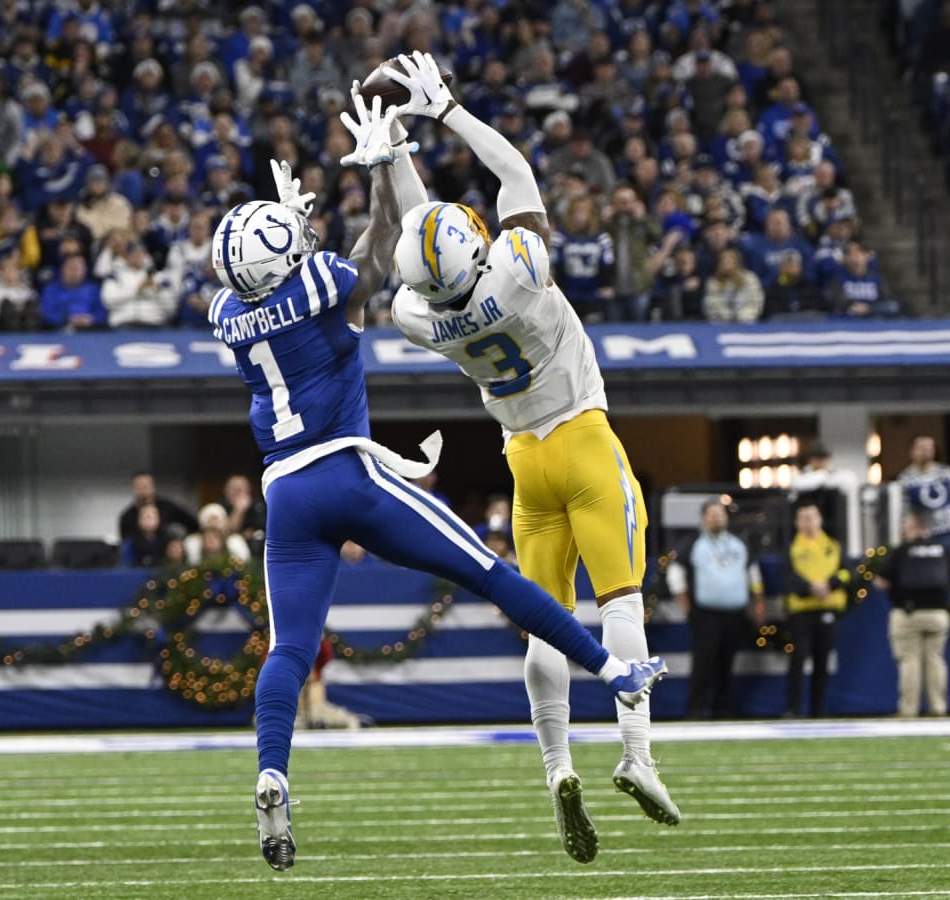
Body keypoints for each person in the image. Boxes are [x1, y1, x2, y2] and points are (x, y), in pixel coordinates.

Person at [208, 105, 666, 870]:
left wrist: (290, 224)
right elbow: (383, 247)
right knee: (489, 574)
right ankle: (615, 672)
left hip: (283, 492)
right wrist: (381, 171)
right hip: (353, 474)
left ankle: (272, 770)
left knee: (289, 647)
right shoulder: (344, 284)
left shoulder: (229, 315)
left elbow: (288, 287)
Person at [383, 51, 680, 864]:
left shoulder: (423, 318)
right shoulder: (516, 272)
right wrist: (443, 111)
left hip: (522, 464)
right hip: (581, 439)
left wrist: (392, 159)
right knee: (621, 599)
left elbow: (411, 241)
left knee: (545, 630)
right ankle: (638, 756)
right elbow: (512, 168)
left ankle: (556, 769)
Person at [665, 499, 765, 719]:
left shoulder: (738, 544)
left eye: (721, 513)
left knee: (727, 662)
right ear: (703, 518)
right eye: (712, 514)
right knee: (703, 662)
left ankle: (722, 708)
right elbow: (675, 575)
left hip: (734, 613)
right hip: (704, 613)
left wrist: (758, 602)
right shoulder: (692, 544)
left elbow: (753, 574)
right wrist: (687, 605)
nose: (717, 518)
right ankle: (695, 709)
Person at [874, 512, 950, 718]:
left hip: (908, 613)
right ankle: (938, 708)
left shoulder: (902, 551)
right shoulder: (943, 549)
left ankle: (908, 709)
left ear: (911, 527)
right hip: (938, 613)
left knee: (909, 660)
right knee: (935, 659)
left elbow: (881, 581)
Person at [782, 502, 850, 718]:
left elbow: (848, 573)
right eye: (804, 518)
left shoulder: (833, 545)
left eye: (812, 517)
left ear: (820, 519)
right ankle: (794, 708)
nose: (809, 522)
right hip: (802, 611)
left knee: (822, 661)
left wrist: (830, 584)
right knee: (798, 659)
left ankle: (818, 709)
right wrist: (811, 588)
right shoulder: (793, 547)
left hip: (828, 609)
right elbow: (787, 576)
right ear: (797, 522)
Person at [896, 434, 950, 553]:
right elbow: (903, 510)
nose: (926, 452)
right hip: (928, 535)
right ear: (912, 451)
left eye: (929, 448)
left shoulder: (946, 472)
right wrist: (905, 532)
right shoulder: (905, 479)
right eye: (922, 448)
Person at [117, 471, 198, 546]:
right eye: (139, 486)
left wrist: (182, 544)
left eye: (146, 485)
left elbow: (193, 524)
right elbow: (125, 542)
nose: (143, 488)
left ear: (153, 486)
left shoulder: (169, 507)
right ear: (134, 488)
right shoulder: (127, 516)